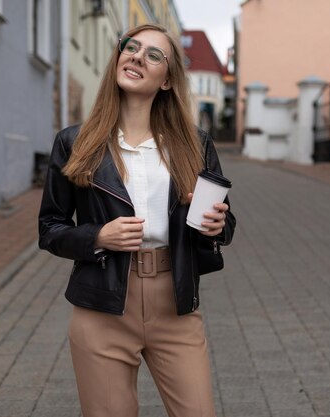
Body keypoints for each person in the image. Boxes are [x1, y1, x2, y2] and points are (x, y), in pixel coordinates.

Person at [38, 23, 236, 417]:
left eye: (153, 54)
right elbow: (50, 228)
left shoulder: (194, 145)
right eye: (131, 48)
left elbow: (224, 225)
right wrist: (99, 236)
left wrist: (216, 227)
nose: (137, 57)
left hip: (175, 305)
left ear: (167, 80)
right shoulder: (75, 143)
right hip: (102, 307)